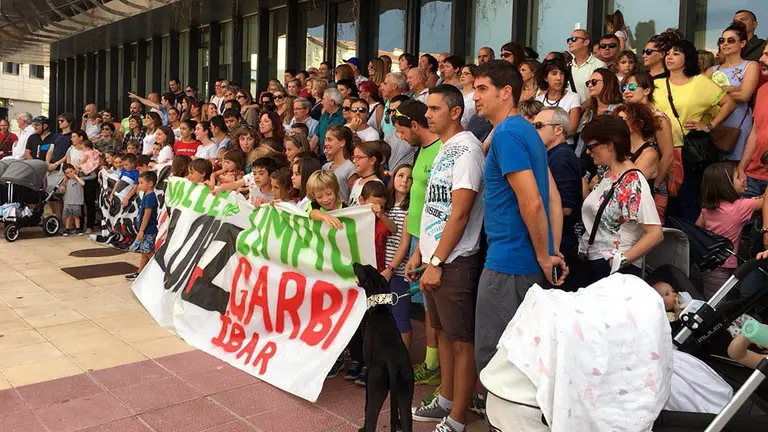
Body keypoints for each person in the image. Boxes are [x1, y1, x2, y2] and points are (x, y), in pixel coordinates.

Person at [471, 60, 565, 382]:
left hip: (508, 265)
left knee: (496, 363)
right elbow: (553, 198)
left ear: (505, 92)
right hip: (526, 263)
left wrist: (545, 255)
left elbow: (533, 201)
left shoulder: (508, 134)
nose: (475, 96)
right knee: (524, 361)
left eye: (482, 89)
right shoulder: (525, 130)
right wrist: (550, 252)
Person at [405, 85, 483, 432]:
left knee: (461, 340)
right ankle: (446, 400)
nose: (428, 115)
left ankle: (458, 418)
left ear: (455, 112)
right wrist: (420, 252)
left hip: (455, 260)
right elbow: (433, 207)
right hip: (435, 258)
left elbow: (460, 213)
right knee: (444, 334)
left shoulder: (467, 150)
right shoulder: (443, 149)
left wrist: (436, 262)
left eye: (435, 109)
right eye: (427, 109)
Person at [653, 38, 736, 223]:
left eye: (676, 53)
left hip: (686, 151)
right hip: (657, 150)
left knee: (686, 200)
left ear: (687, 58)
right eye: (667, 54)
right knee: (660, 200)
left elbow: (729, 103)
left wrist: (709, 126)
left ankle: (689, 239)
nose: (669, 57)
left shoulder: (700, 82)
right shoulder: (657, 84)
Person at [579, 115, 663, 283]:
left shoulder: (632, 181)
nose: (588, 151)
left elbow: (655, 233)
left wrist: (619, 262)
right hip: (597, 262)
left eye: (592, 146)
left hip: (615, 269)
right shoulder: (608, 174)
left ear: (610, 145)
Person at [697, 163, 763, 298]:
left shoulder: (707, 208)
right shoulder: (740, 207)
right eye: (738, 177)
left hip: (708, 260)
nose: (743, 178)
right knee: (718, 300)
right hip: (724, 263)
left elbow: (697, 228)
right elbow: (765, 202)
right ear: (726, 185)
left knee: (711, 297)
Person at [621, 70, 675, 220]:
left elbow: (668, 155)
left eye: (632, 87)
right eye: (623, 88)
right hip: (629, 180)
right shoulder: (625, 117)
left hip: (653, 184)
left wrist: (654, 186)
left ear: (647, 90)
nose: (626, 91)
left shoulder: (658, 119)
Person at [705, 21, 759, 161]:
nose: (725, 44)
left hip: (737, 124)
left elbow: (744, 95)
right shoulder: (712, 70)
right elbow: (700, 96)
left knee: (735, 166)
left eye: (731, 40)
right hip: (714, 124)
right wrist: (729, 90)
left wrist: (716, 92)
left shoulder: (750, 66)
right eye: (722, 40)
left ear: (742, 43)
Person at [534, 107, 582, 254]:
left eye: (538, 126)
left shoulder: (561, 158)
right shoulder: (555, 155)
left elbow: (565, 208)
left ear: (558, 129)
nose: (533, 131)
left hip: (560, 241)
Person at [383, 164, 414, 347]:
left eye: (409, 178)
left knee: (400, 316)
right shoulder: (385, 206)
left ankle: (403, 358)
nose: (404, 181)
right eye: (400, 175)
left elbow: (404, 244)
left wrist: (390, 269)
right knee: (386, 315)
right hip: (382, 270)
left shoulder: (410, 209)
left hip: (399, 273)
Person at [576, 68, 623, 157]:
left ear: (608, 83)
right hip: (587, 159)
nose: (590, 85)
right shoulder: (589, 112)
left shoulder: (620, 110)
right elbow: (581, 142)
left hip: (611, 158)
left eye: (594, 82)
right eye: (588, 83)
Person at [535, 58, 581, 143]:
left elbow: (572, 129)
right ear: (545, 77)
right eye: (554, 73)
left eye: (562, 74)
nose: (559, 78)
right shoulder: (538, 100)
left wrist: (550, 139)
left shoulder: (573, 97)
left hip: (565, 145)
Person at [126, 171, 159, 280]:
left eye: (141, 183)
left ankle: (159, 272)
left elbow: (147, 215)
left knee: (148, 252)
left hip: (148, 230)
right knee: (144, 253)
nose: (139, 185)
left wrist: (141, 231)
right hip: (145, 230)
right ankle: (139, 272)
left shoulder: (150, 197)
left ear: (150, 183)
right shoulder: (146, 195)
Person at [568, 29, 608, 102]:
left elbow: (600, 93)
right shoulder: (567, 66)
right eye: (568, 40)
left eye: (574, 39)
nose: (570, 42)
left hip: (590, 109)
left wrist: (580, 107)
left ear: (586, 42)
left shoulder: (599, 65)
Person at [322, 124, 358, 203]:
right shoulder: (325, 167)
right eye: (325, 140)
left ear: (342, 142)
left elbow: (353, 197)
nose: (326, 143)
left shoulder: (350, 168)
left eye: (329, 140)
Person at [348, 140, 384, 206]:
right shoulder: (356, 182)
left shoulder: (376, 185)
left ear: (372, 160)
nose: (354, 161)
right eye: (354, 157)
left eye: (358, 157)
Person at [311, 87, 345, 155]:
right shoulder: (324, 116)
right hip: (322, 157)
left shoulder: (343, 117)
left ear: (332, 102)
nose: (321, 102)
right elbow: (315, 138)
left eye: (323, 99)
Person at [59, 163, 85, 236]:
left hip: (76, 201)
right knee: (68, 216)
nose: (70, 174)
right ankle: (67, 229)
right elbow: (62, 189)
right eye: (67, 173)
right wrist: (62, 187)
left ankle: (78, 229)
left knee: (76, 216)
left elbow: (83, 183)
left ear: (74, 170)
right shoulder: (66, 181)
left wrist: (76, 176)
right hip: (68, 201)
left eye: (71, 171)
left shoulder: (79, 179)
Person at [379, 72, 409, 136]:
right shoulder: (388, 102)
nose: (382, 88)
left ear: (394, 86)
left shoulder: (404, 104)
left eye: (385, 84)